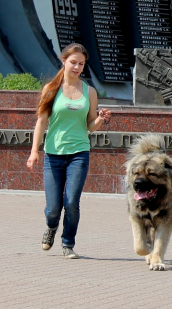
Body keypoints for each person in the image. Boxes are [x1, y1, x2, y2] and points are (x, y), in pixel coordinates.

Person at [26, 43, 111, 259]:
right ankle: (51, 227)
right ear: (63, 61)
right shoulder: (51, 90)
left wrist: (100, 119)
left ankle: (67, 243)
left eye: (81, 64)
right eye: (73, 62)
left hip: (79, 153)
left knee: (72, 202)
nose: (77, 67)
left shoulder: (89, 92)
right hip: (53, 154)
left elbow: (89, 126)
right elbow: (41, 122)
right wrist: (34, 151)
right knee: (54, 208)